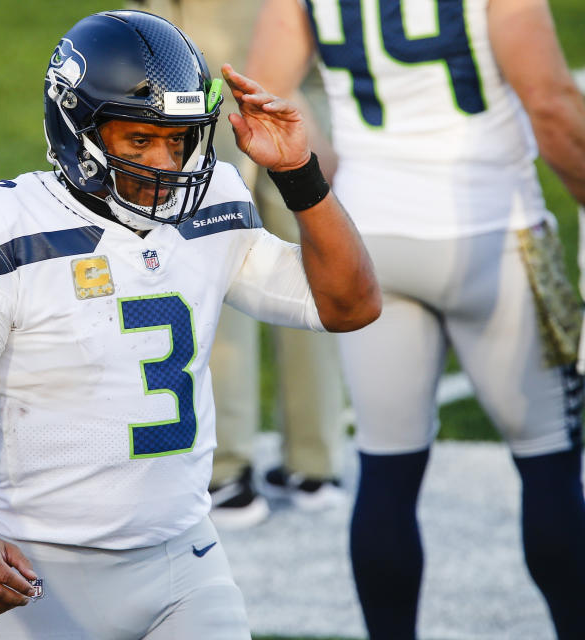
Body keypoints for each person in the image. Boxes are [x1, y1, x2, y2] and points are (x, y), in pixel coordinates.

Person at [0, 10, 380, 638]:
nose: (166, 162)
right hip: (42, 580)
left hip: (186, 564)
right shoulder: (4, 233)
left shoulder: (210, 209)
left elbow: (351, 305)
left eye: (177, 140)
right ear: (77, 130)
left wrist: (298, 173)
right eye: (140, 140)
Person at [246, 0, 585, 637]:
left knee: (387, 467)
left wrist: (338, 180)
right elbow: (552, 106)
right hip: (493, 231)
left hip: (375, 238)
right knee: (550, 464)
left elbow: (264, 88)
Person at [126, 0, 347, 526]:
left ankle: (226, 471)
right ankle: (315, 463)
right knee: (308, 266)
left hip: (208, 72)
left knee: (217, 264)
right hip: (299, 74)